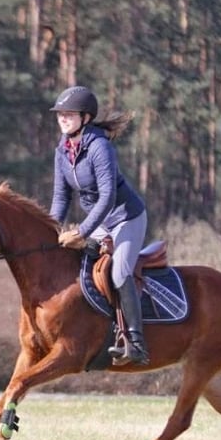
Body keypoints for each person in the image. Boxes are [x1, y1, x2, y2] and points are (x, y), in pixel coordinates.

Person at [48, 85, 150, 366]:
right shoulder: (63, 151)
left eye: (69, 115)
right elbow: (61, 197)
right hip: (99, 221)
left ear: (85, 117)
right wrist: (51, 231)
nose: (63, 119)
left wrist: (81, 231)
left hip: (125, 217)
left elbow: (108, 197)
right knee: (78, 266)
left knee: (118, 272)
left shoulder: (99, 146)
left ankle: (136, 341)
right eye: (60, 115)